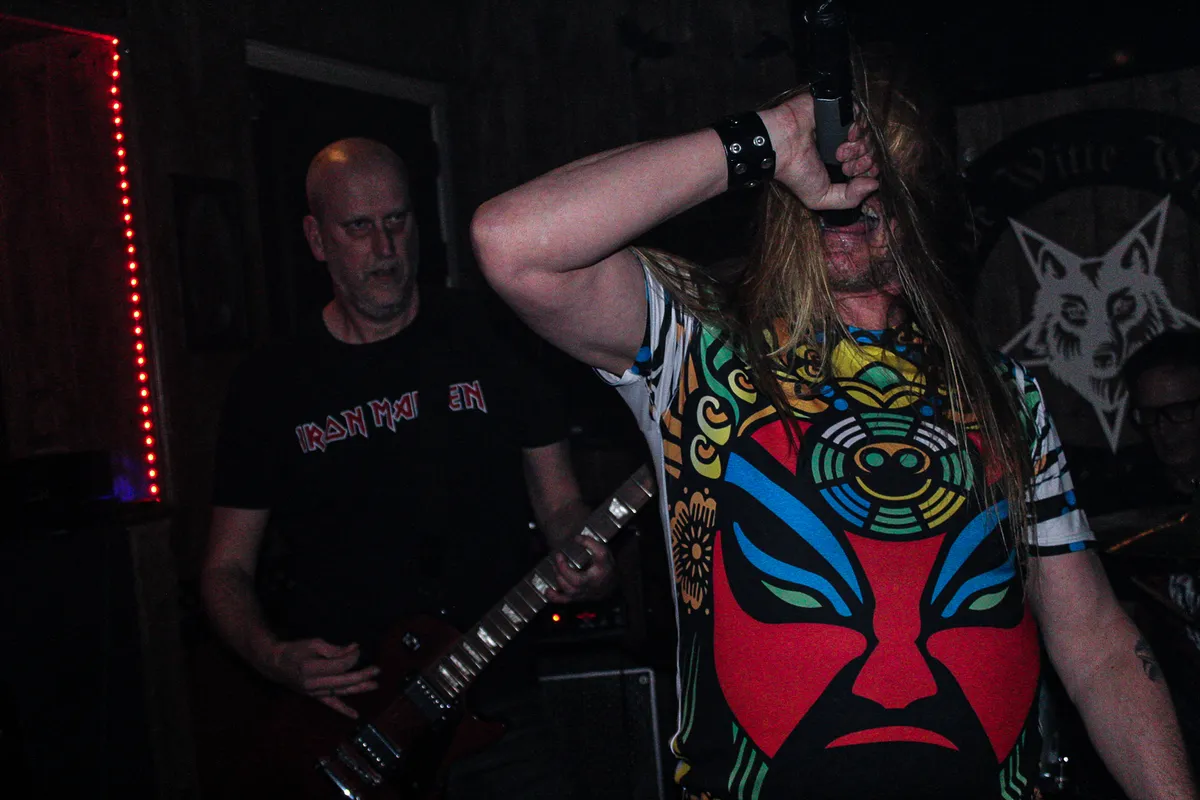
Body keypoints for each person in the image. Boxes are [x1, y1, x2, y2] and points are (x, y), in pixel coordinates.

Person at [471, 55, 1197, 800]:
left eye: (880, 179)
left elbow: (1097, 644)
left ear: (917, 204)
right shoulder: (700, 347)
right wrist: (772, 137)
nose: (850, 196)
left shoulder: (1001, 391)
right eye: (832, 169)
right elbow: (514, 243)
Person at [200, 137, 613, 798]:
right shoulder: (270, 384)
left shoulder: (494, 336)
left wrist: (586, 556)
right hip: (351, 722)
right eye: (358, 228)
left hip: (494, 698)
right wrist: (273, 657)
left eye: (397, 220)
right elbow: (225, 569)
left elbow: (560, 503)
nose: (385, 247)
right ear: (316, 238)